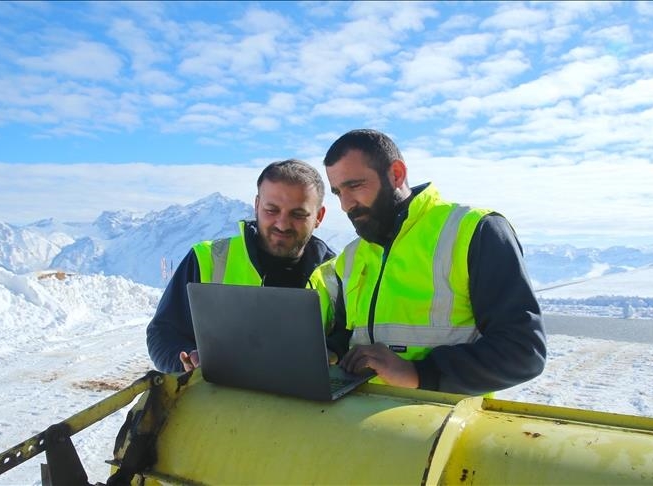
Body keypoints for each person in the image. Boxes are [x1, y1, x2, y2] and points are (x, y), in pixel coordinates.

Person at [318, 129, 546, 395]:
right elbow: (352, 334)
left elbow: (523, 351)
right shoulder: (353, 254)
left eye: (355, 186)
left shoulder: (472, 230)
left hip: (444, 425)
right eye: (337, 193)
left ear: (396, 174)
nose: (346, 205)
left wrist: (419, 373)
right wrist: (329, 351)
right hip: (367, 423)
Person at [147, 159, 335, 373]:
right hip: (218, 402)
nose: (282, 224)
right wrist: (186, 362)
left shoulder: (338, 274)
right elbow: (164, 333)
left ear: (319, 216)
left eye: (298, 214)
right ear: (256, 205)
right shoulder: (208, 258)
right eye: (271, 210)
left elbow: (344, 346)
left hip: (306, 404)